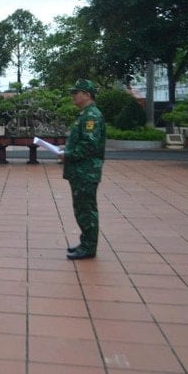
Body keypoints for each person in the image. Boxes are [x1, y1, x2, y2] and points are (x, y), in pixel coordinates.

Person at [61, 79, 106, 260]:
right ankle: (85, 243)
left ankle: (88, 247)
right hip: (81, 170)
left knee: (86, 209)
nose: (73, 95)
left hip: (86, 171)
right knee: (82, 208)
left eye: (76, 92)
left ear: (87, 94)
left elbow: (89, 145)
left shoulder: (91, 116)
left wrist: (67, 154)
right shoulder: (85, 114)